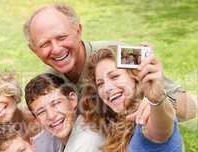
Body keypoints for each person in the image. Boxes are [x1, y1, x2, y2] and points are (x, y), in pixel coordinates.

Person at [23, 3, 196, 124]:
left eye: (62, 37)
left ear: (78, 31)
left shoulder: (119, 54)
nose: (56, 49)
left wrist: (157, 103)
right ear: (33, 50)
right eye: (45, 44)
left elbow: (190, 107)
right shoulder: (49, 82)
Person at [81, 48, 182, 152]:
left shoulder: (147, 117)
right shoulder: (121, 125)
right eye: (100, 83)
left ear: (134, 77)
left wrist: (157, 100)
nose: (107, 88)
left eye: (114, 76)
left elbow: (162, 129)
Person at [25, 73, 104, 152]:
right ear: (37, 120)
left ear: (72, 100)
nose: (51, 115)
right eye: (41, 112)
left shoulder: (88, 140)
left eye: (55, 103)